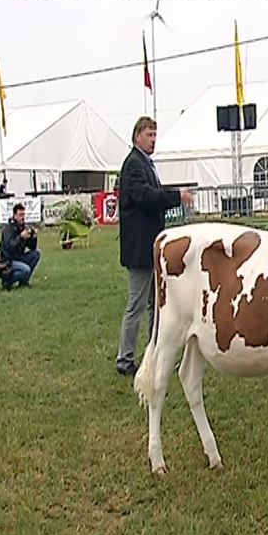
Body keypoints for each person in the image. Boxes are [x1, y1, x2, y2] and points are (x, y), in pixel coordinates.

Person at [116, 116, 193, 378]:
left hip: (150, 246)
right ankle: (125, 358)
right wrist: (176, 196)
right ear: (137, 135)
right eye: (149, 134)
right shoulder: (133, 166)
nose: (153, 139)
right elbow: (146, 197)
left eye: (154, 135)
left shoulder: (143, 163)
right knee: (137, 304)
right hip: (140, 248)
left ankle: (155, 350)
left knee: (155, 304)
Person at [0, 202, 41, 291]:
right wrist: (20, 237)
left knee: (36, 254)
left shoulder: (23, 228)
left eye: (24, 215)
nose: (23, 217)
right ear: (15, 216)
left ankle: (24, 282)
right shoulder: (8, 229)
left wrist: (33, 238)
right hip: (7, 261)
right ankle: (7, 281)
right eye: (20, 215)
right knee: (26, 270)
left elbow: (32, 247)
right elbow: (9, 247)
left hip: (18, 257)